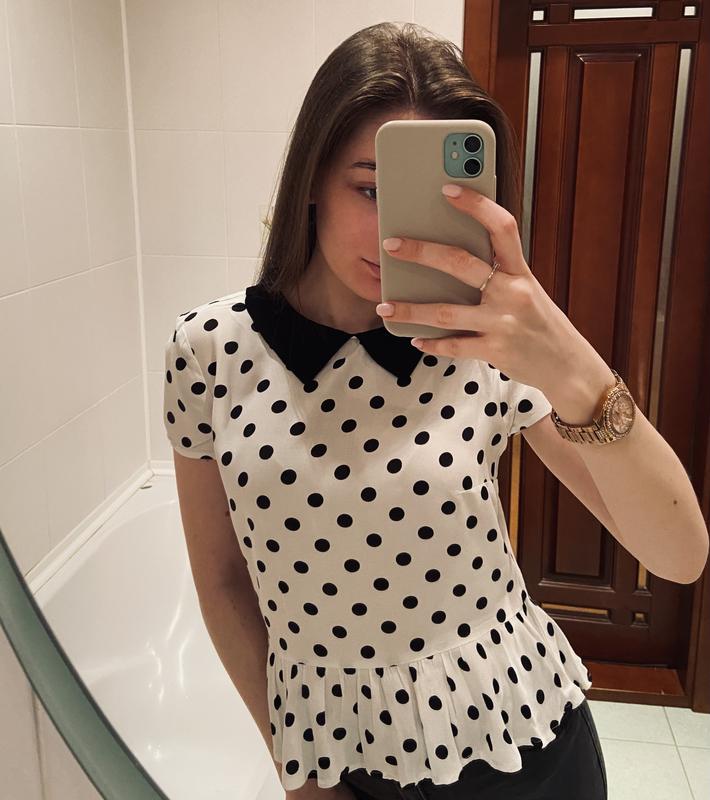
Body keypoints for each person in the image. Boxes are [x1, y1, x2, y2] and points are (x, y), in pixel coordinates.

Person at [163, 21, 608, 800]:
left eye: (435, 205)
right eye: (370, 191)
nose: (396, 234)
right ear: (311, 177)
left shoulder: (486, 344)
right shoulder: (209, 351)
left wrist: (564, 351)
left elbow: (676, 551)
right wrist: (298, 769)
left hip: (524, 737)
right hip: (344, 754)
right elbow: (224, 580)